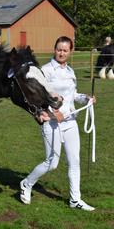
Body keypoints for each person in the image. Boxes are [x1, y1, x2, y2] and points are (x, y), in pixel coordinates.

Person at [20, 36, 96, 211]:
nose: (61, 53)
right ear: (55, 49)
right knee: (52, 163)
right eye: (59, 49)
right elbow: (38, 97)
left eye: (65, 50)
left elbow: (73, 95)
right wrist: (54, 113)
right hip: (51, 123)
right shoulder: (45, 71)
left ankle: (75, 200)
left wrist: (86, 99)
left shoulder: (70, 71)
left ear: (70, 52)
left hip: (70, 124)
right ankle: (26, 183)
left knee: (74, 162)